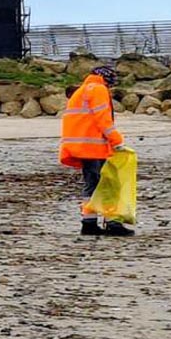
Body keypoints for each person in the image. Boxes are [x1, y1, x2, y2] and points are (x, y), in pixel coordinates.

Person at [59, 65, 132, 236]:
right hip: (94, 147)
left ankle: (89, 222)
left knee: (92, 185)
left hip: (82, 147)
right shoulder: (98, 90)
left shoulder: (83, 90)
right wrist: (117, 140)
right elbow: (103, 119)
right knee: (107, 184)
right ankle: (112, 223)